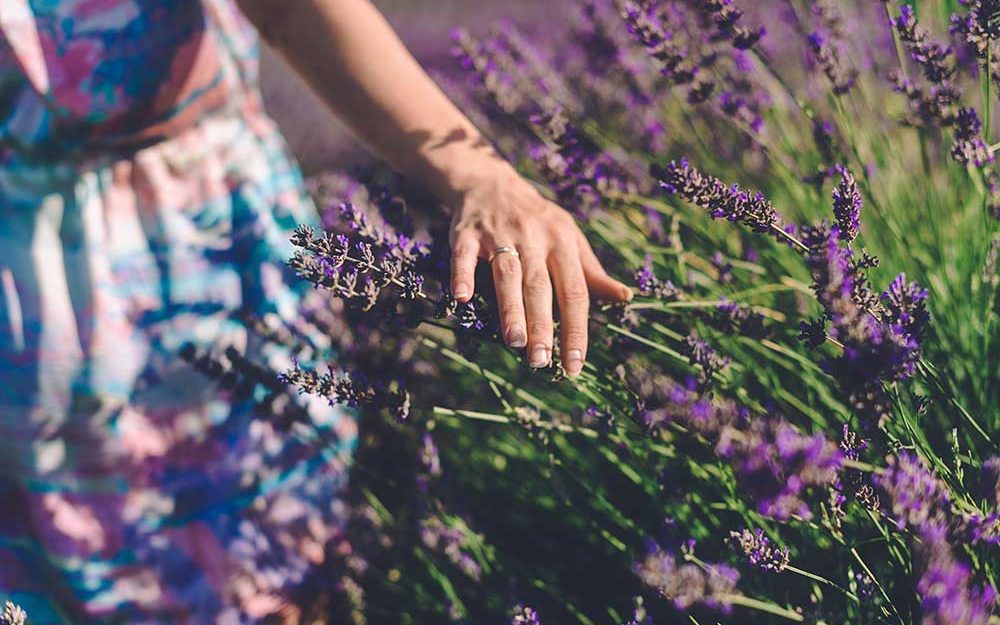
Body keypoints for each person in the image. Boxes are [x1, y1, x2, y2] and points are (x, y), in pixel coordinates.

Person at [0, 0, 632, 622]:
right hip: (26, 292)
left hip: (212, 240)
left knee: (276, 556)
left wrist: (481, 178)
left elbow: (293, 10)